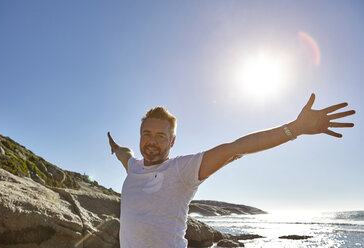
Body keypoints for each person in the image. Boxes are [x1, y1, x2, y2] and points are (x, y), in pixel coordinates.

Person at [107, 93, 355, 248]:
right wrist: (115, 147)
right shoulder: (133, 167)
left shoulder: (182, 169)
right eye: (147, 134)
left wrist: (294, 129)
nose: (152, 141)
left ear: (172, 142)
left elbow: (234, 149)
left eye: (160, 136)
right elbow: (124, 153)